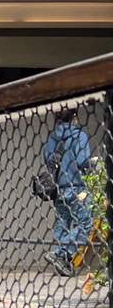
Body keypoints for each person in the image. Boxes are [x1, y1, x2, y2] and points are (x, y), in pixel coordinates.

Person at [42, 110, 93, 277]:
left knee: (63, 223)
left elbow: (47, 159)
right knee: (86, 224)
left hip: (57, 189)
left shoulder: (52, 138)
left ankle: (63, 262)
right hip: (76, 186)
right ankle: (60, 252)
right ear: (75, 117)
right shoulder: (80, 136)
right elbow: (82, 161)